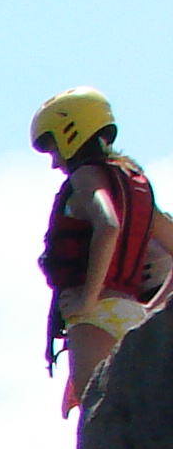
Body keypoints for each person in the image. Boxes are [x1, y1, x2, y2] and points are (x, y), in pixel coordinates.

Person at [34, 88, 173, 414]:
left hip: (95, 317)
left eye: (53, 148)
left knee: (99, 420)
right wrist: (153, 308)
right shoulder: (133, 183)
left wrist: (88, 299)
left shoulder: (86, 177)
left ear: (71, 133)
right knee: (134, 418)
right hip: (131, 314)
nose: (55, 163)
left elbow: (107, 224)